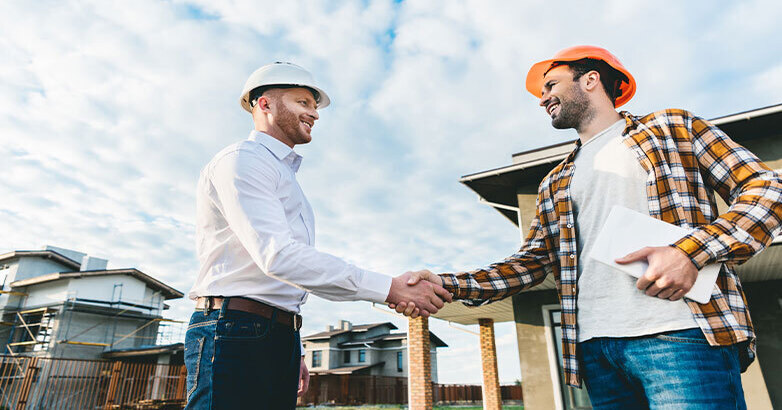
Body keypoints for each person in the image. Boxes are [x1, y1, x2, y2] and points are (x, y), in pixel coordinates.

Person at [392, 46, 782, 408]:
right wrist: (447, 284)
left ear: (591, 80)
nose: (542, 98)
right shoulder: (556, 180)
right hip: (596, 349)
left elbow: (767, 189)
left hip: (680, 335)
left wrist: (690, 252)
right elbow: (531, 262)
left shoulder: (672, 128)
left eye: (550, 85)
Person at [185, 62, 452, 409]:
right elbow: (278, 257)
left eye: (314, 106)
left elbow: (285, 280)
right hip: (233, 330)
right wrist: (390, 287)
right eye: (303, 103)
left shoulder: (283, 176)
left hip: (272, 333)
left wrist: (292, 345)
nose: (315, 114)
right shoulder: (242, 161)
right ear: (264, 104)